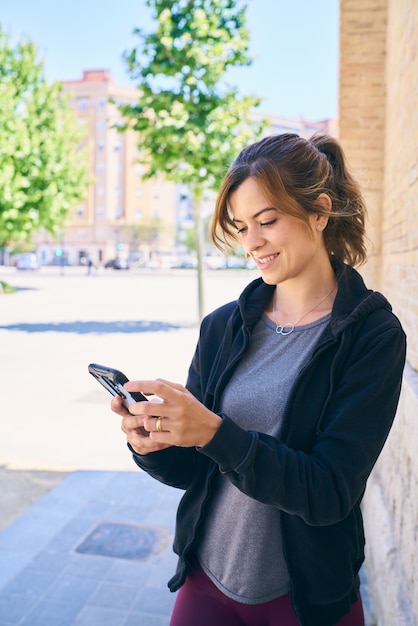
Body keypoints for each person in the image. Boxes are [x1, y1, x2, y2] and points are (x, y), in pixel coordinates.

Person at [111, 133, 406, 626]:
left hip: (305, 598)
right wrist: (152, 444)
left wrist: (213, 431)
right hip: (206, 579)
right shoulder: (224, 326)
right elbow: (195, 471)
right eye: (242, 227)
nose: (251, 244)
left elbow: (331, 490)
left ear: (319, 212)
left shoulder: (371, 336)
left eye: (267, 222)